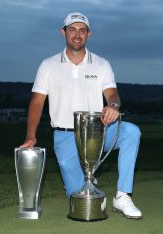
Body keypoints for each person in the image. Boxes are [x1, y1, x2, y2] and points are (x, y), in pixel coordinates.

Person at [20, 12, 142, 219]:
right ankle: (89, 177)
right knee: (76, 195)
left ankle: (122, 196)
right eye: (72, 29)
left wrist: (112, 105)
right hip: (65, 135)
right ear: (63, 32)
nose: (77, 35)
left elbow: (112, 94)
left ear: (89, 34)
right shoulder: (48, 65)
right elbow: (37, 102)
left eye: (82, 30)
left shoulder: (101, 64)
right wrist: (30, 135)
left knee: (131, 131)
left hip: (97, 131)